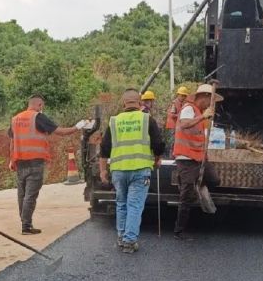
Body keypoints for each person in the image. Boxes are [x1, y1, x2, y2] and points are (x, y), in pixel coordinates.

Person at [98, 89, 165, 253]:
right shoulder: (146, 119)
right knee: (134, 205)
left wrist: (102, 171)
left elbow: (104, 149)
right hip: (140, 170)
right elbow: (158, 144)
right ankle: (129, 241)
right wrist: (157, 160)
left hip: (119, 171)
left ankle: (122, 237)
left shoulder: (114, 121)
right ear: (140, 103)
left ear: (123, 104)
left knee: (121, 203)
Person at [9, 95, 84, 234]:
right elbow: (60, 132)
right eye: (42, 106)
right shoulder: (38, 117)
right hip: (35, 162)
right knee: (30, 195)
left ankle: (24, 221)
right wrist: (77, 127)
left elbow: (12, 141)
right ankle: (26, 226)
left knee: (22, 193)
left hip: (20, 162)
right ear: (40, 105)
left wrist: (11, 159)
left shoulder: (16, 119)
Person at [172, 83, 222, 240]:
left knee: (215, 179)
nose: (211, 105)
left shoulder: (201, 113)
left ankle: (196, 187)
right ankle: (179, 231)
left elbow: (200, 138)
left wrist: (204, 156)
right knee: (186, 195)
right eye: (210, 101)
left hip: (199, 159)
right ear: (204, 97)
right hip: (186, 159)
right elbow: (185, 124)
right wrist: (203, 116)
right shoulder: (189, 108)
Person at [164, 86, 189, 153]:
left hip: (176, 125)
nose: (184, 97)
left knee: (176, 141)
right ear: (178, 95)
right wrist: (181, 116)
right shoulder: (174, 103)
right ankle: (171, 155)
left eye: (185, 96)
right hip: (172, 125)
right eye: (182, 95)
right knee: (173, 141)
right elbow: (172, 115)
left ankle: (175, 154)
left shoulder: (182, 103)